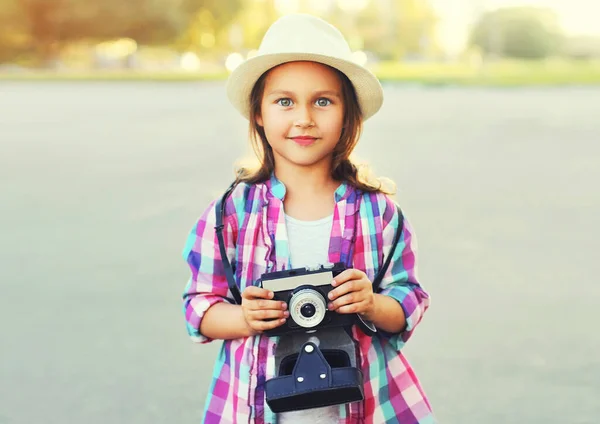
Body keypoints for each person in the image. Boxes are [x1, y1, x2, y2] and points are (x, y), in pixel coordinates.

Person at [182, 13, 435, 424]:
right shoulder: (230, 214)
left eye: (323, 100)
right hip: (255, 407)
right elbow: (199, 308)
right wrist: (244, 317)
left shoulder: (379, 213)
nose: (304, 118)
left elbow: (408, 302)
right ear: (258, 114)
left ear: (347, 114)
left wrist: (370, 303)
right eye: (285, 101)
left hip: (366, 405)